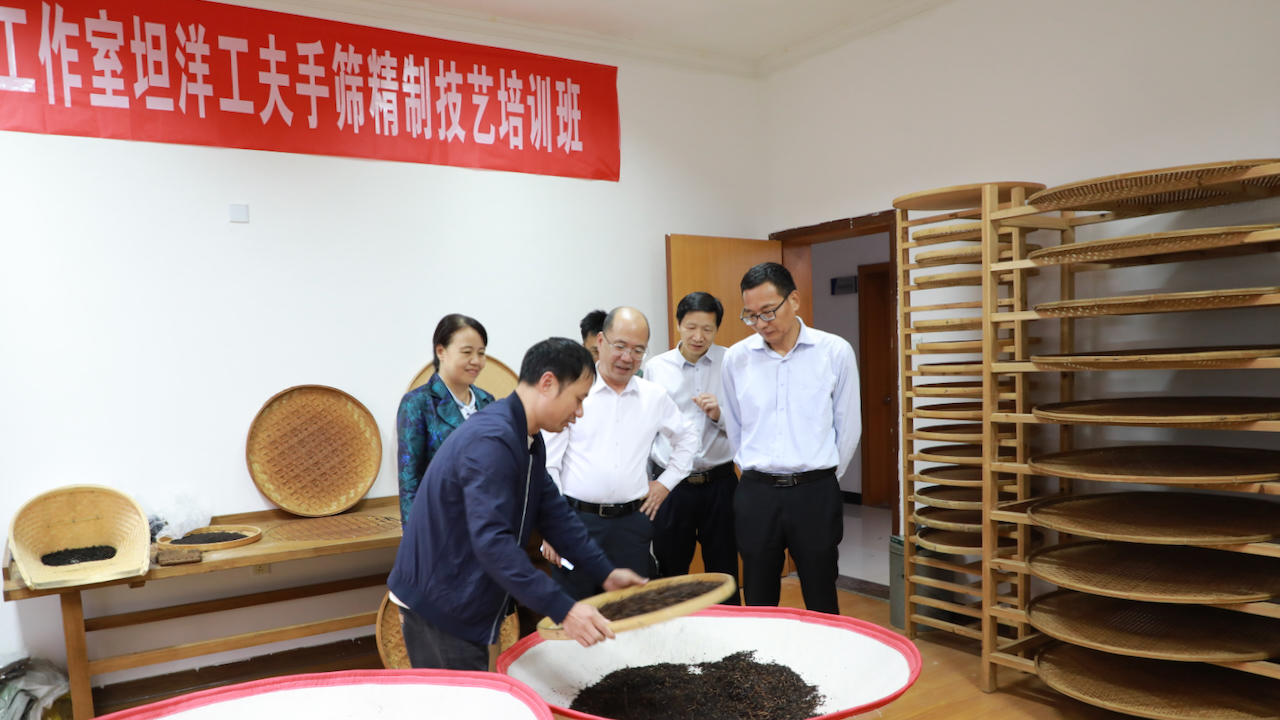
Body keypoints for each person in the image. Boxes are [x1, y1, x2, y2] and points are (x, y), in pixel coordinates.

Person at [388, 338, 647, 671]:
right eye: (578, 399)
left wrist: (605, 572)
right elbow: (493, 542)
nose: (579, 412)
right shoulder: (492, 440)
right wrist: (564, 609)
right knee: (459, 697)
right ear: (548, 383)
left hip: (460, 592)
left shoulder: (527, 437)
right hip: (439, 601)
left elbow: (554, 514)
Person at [720, 262, 860, 615]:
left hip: (815, 492)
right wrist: (754, 472)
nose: (761, 323)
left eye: (768, 311)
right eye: (751, 315)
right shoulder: (736, 358)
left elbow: (848, 427)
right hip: (757, 493)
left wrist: (822, 476)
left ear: (794, 300)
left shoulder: (835, 352)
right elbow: (734, 426)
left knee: (820, 590)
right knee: (758, 594)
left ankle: (823, 651)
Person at [543, 307, 699, 600]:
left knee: (630, 610)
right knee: (576, 610)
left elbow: (688, 437)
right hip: (576, 521)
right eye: (620, 346)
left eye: (638, 350)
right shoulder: (571, 392)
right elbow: (549, 465)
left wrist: (666, 483)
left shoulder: (653, 396)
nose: (627, 357)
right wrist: (553, 526)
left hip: (631, 525)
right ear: (601, 342)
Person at [642, 292, 740, 598]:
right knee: (671, 570)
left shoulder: (732, 362)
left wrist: (719, 414)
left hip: (720, 483)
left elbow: (747, 422)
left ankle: (729, 623)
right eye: (691, 327)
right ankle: (673, 625)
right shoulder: (656, 368)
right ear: (678, 325)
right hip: (671, 485)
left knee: (725, 569)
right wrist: (646, 481)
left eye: (707, 329)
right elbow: (647, 429)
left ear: (717, 328)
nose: (699, 337)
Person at [396, 314, 496, 524]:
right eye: (467, 352)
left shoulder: (487, 401)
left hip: (486, 520)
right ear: (441, 351)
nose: (476, 361)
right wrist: (414, 533)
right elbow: (409, 478)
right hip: (440, 522)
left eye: (481, 353)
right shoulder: (418, 403)